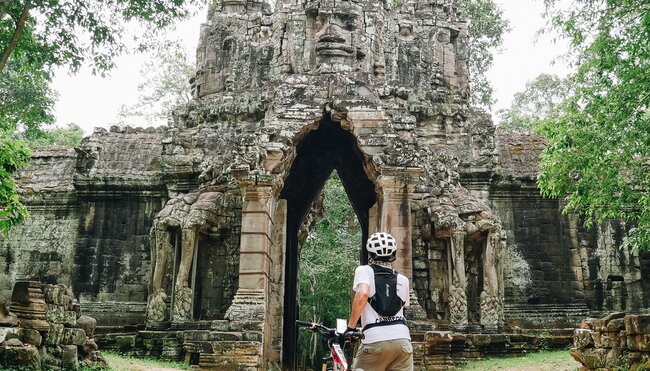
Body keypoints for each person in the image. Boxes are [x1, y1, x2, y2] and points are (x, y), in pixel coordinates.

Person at [344, 232, 413, 371]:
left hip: (375, 341)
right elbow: (403, 308)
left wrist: (350, 328)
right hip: (402, 342)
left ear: (370, 254)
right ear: (394, 254)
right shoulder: (403, 280)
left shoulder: (364, 271)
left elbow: (362, 293)